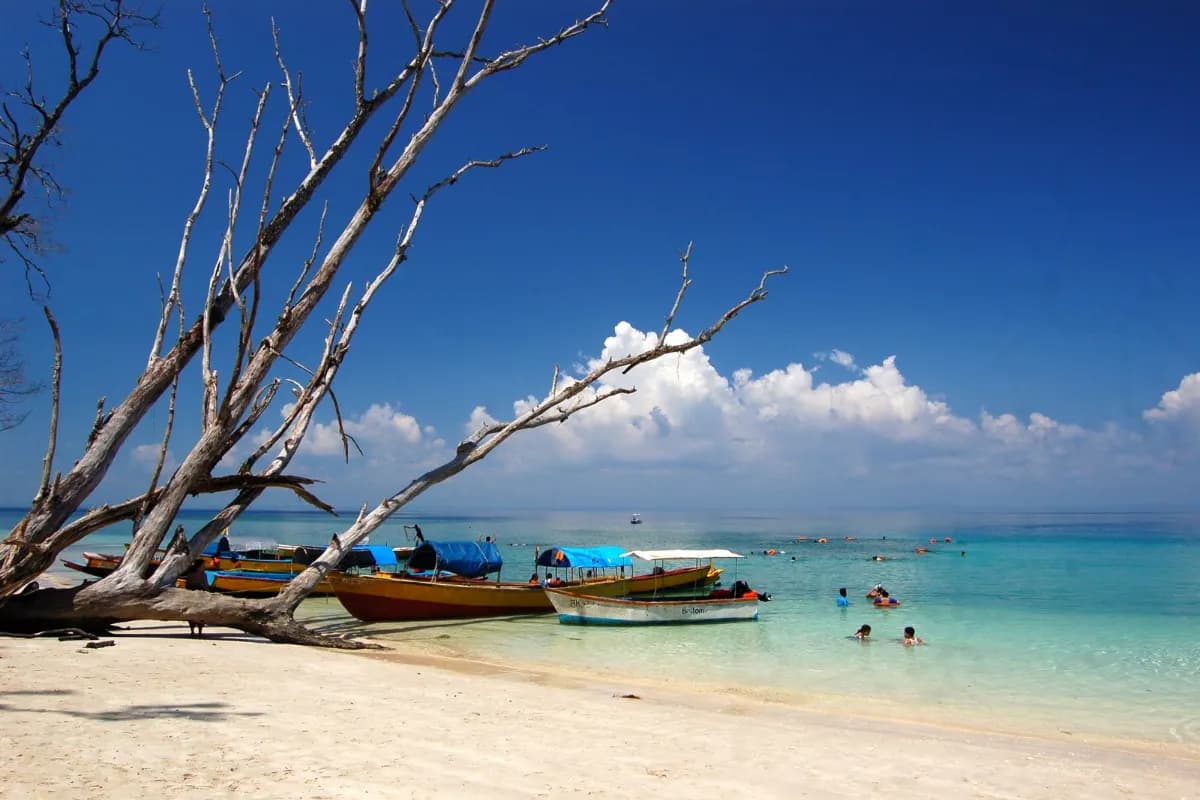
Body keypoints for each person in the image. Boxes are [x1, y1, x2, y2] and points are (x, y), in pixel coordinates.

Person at [182, 559, 211, 638]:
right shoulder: (192, 574)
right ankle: (193, 631)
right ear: (198, 566)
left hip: (200, 595)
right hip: (193, 595)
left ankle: (199, 632)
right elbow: (189, 585)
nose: (204, 567)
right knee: (193, 613)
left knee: (201, 614)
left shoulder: (202, 574)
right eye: (203, 565)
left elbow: (205, 585)